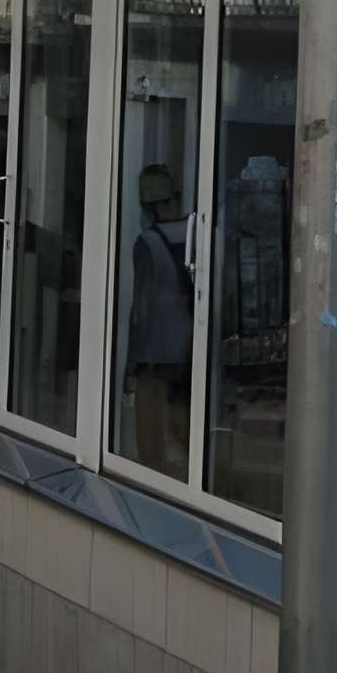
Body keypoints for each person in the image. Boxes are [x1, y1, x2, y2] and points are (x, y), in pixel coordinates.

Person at [122, 160, 194, 477]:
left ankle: (152, 471)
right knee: (186, 415)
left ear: (146, 204)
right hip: (192, 345)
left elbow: (142, 306)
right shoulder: (199, 233)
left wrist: (131, 363)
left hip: (156, 350)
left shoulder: (148, 242)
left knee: (151, 419)